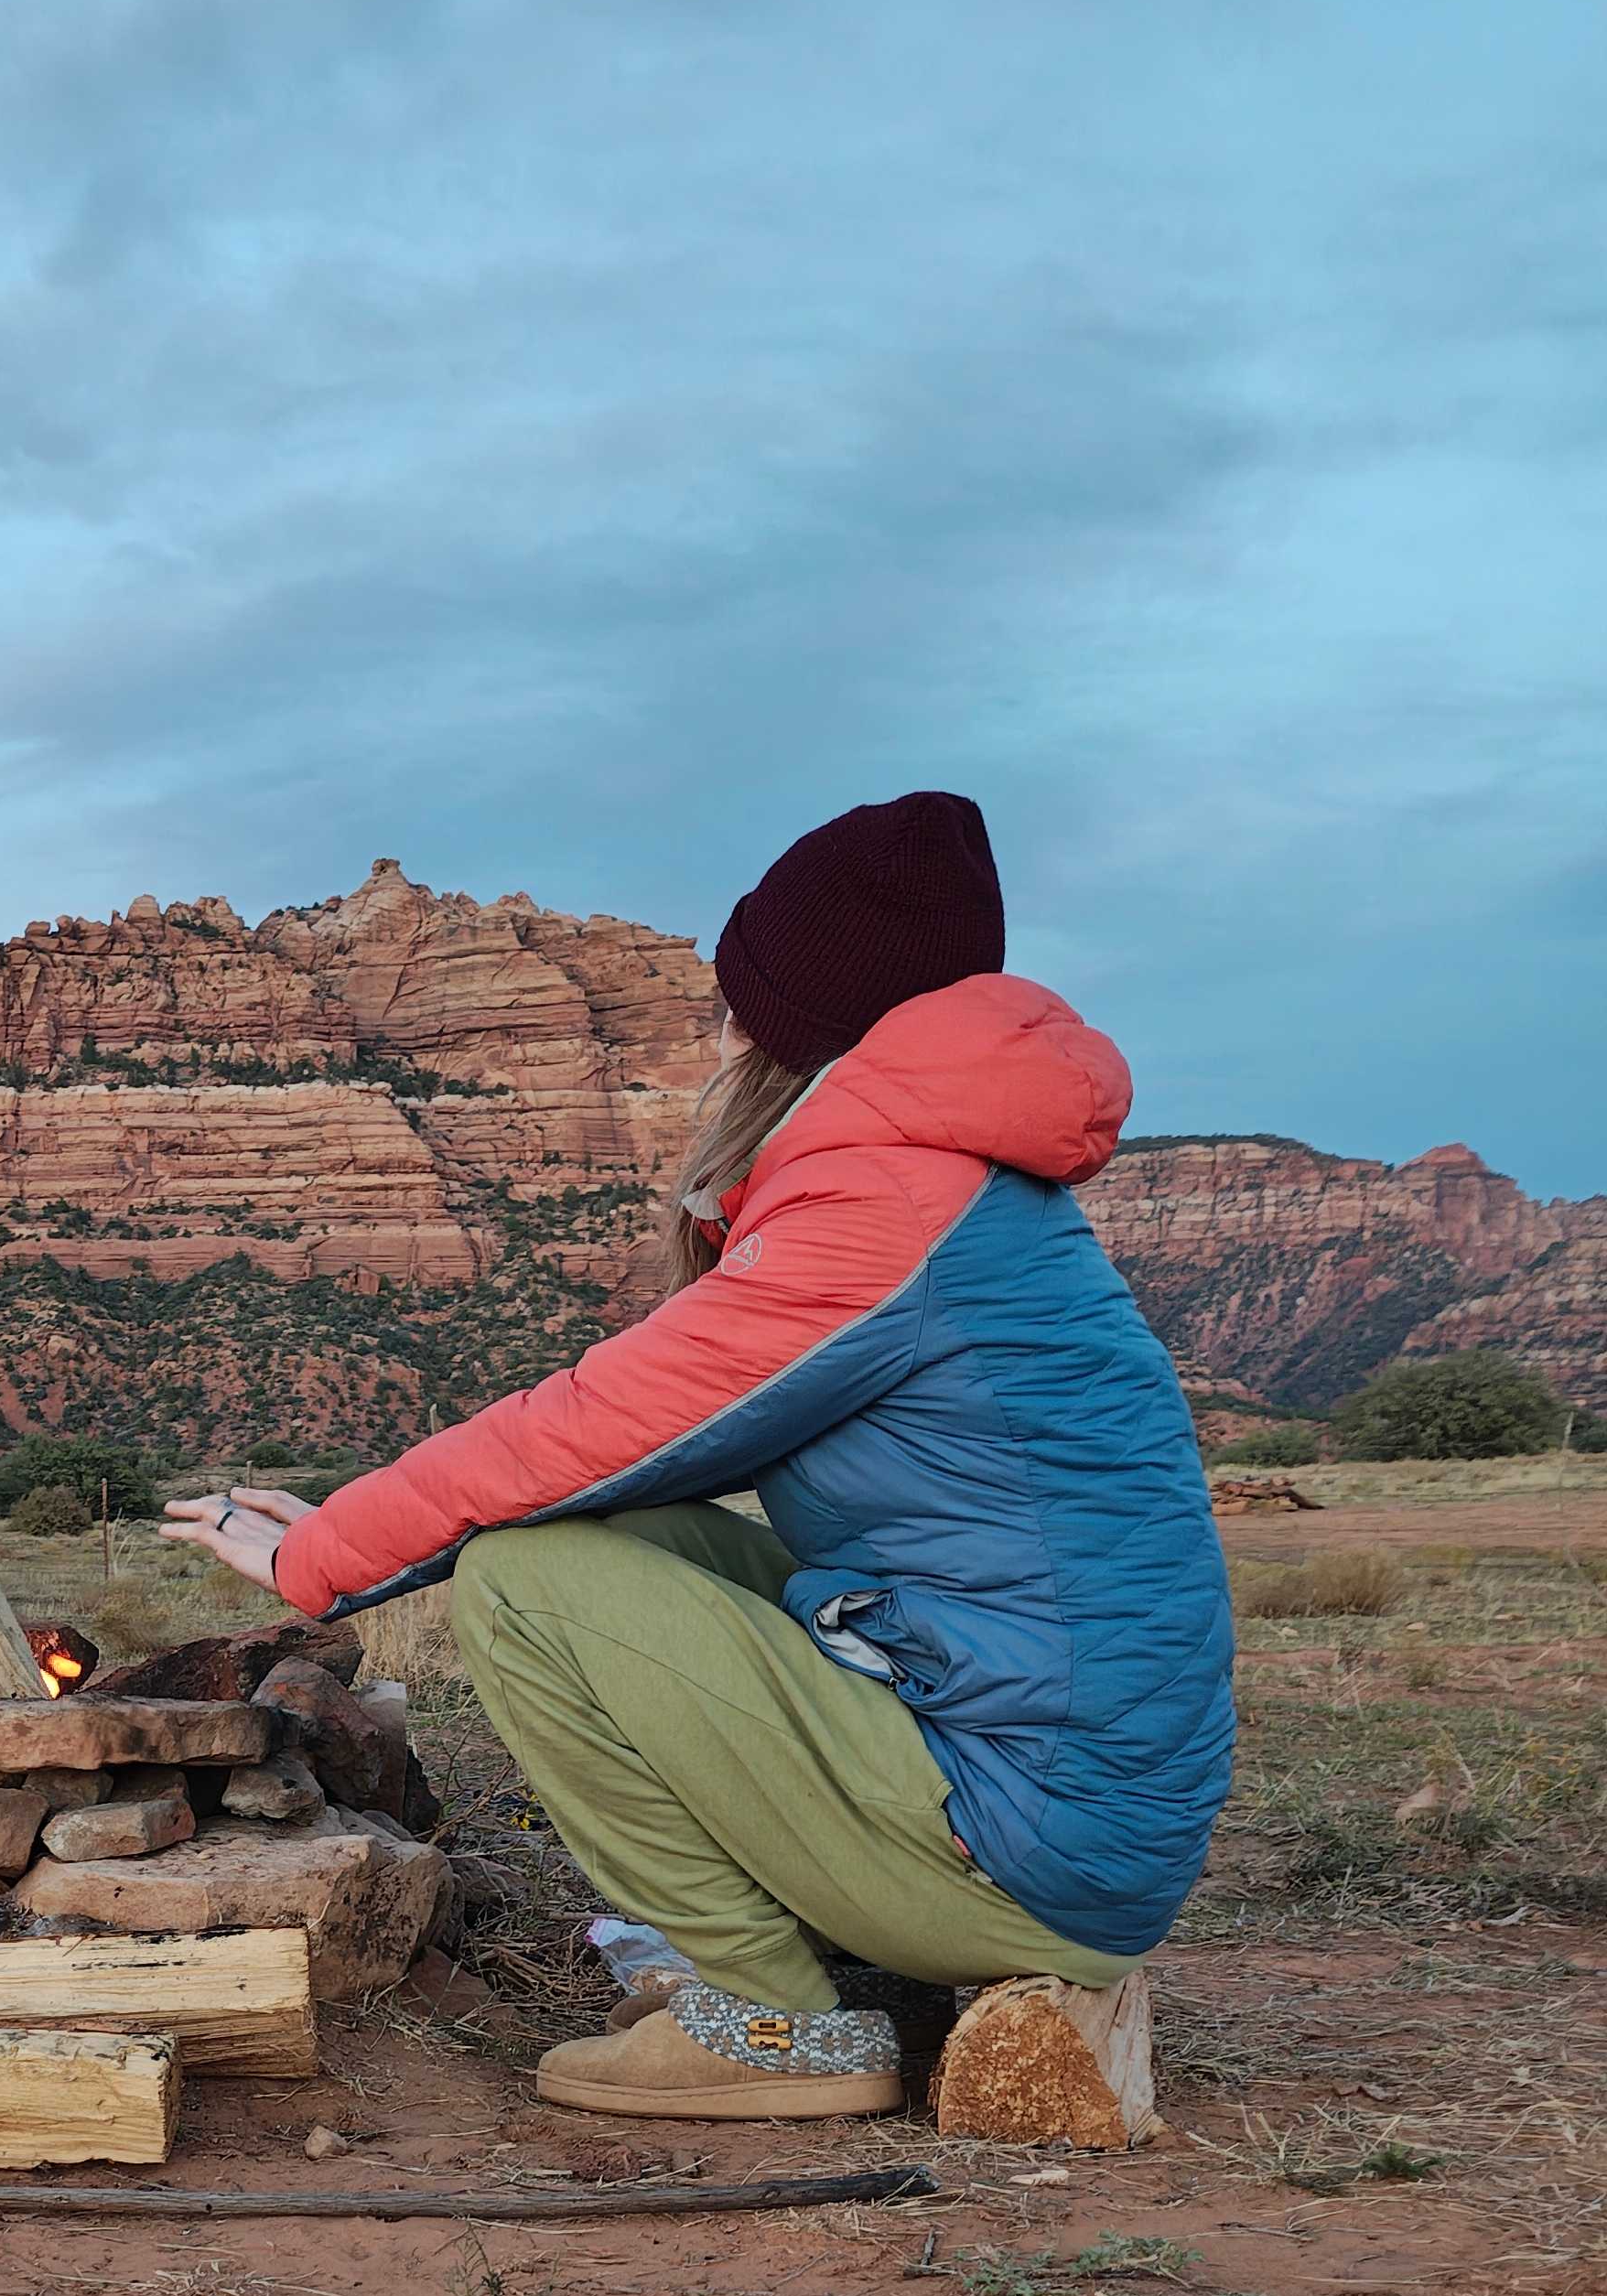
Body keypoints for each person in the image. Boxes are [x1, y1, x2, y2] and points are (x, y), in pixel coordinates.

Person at [161, 791, 1235, 2121]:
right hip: (1063, 1797)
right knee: (615, 1544)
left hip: (1030, 1839)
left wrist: (320, 1551)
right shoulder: (947, 1184)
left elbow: (595, 1423)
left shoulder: (888, 1207)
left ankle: (775, 2027)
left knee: (521, 1583)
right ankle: (809, 1952)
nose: (720, 1032)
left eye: (739, 1002)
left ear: (793, 1023)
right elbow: (624, 1459)